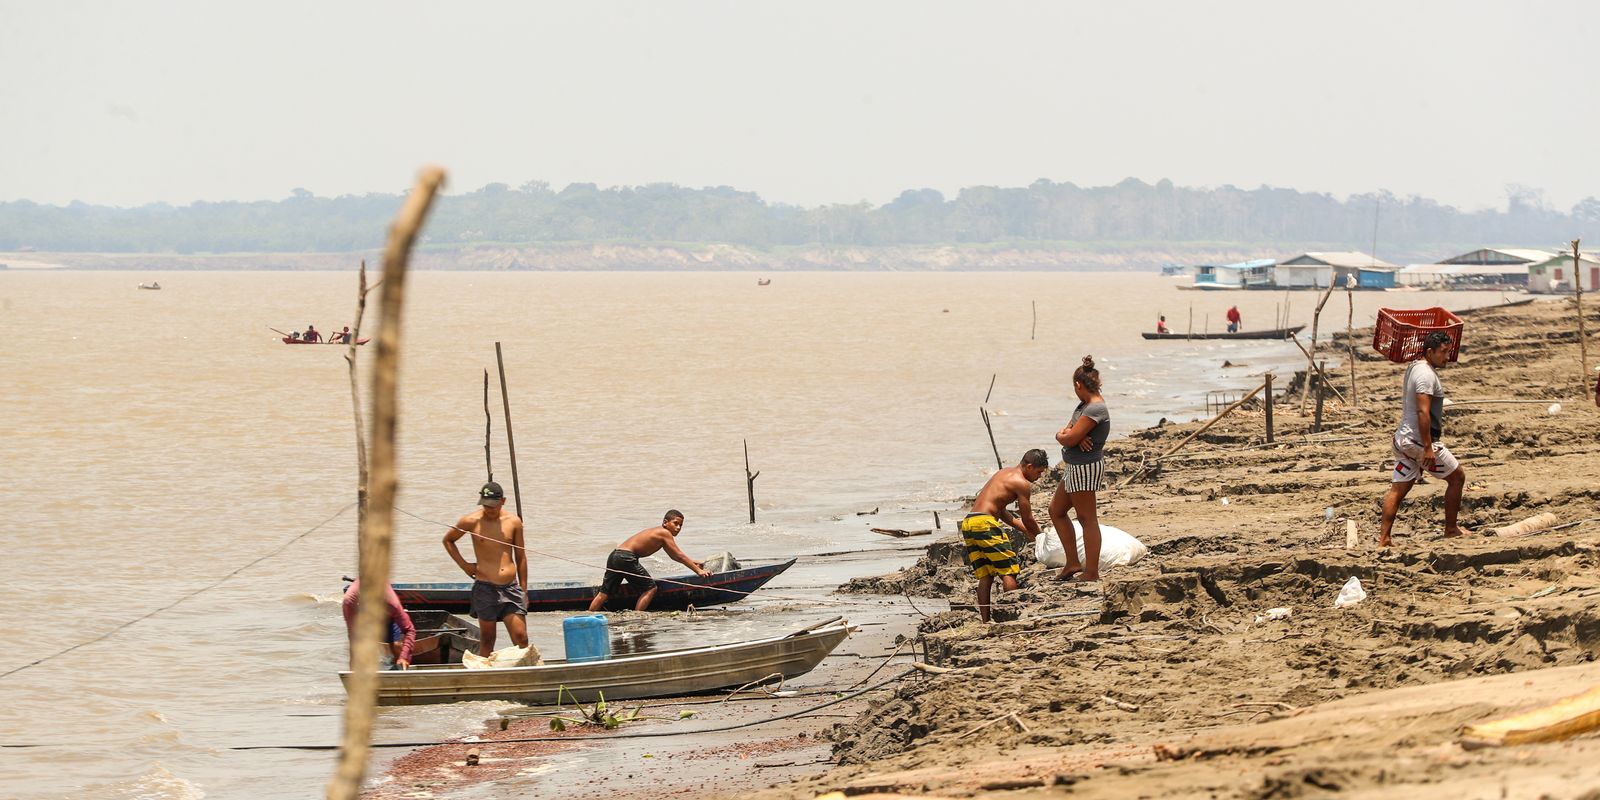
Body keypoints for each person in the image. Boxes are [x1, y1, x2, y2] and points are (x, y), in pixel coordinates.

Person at [1379, 332, 1471, 547]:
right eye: (1443, 352)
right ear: (1429, 352)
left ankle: (1384, 539)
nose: (1447, 357)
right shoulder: (1425, 375)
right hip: (1418, 443)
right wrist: (1428, 448)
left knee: (1398, 490)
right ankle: (1451, 529)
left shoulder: (1416, 365)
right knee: (1457, 478)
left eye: (1449, 352)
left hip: (1403, 441)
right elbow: (1423, 412)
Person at [960, 449, 1048, 622]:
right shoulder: (1021, 483)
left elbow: (1000, 510)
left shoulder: (1003, 473)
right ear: (1029, 467)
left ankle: (985, 622)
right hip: (985, 524)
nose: (1039, 477)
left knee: (986, 575)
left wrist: (1025, 530)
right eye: (1038, 472)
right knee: (1009, 570)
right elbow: (1028, 518)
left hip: (970, 522)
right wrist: (1040, 537)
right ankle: (1012, 617)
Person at [443, 481, 529, 656]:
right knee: (488, 639)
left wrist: (524, 589)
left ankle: (526, 667)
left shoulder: (514, 522)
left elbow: (521, 556)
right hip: (485, 587)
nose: (489, 509)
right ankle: (485, 669)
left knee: (521, 637)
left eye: (493, 506)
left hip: (510, 588)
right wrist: (465, 566)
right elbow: (448, 540)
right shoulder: (471, 521)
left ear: (502, 501)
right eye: (486, 505)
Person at [1050, 356, 1111, 582]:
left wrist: (1066, 436)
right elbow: (1070, 432)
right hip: (1075, 466)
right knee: (1056, 510)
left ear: (1078, 385)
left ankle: (1091, 572)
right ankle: (1073, 562)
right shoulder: (1084, 406)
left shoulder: (1095, 408)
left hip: (1084, 467)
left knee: (1087, 519)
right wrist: (1072, 435)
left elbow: (1067, 436)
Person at [588, 510, 708, 612]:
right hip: (626, 557)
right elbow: (679, 556)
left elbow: (675, 556)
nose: (678, 528)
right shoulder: (665, 533)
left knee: (604, 593)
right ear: (665, 523)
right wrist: (698, 571)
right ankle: (638, 616)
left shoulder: (660, 533)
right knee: (650, 588)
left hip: (615, 556)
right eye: (675, 523)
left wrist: (694, 563)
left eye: (681, 525)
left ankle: (589, 616)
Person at [341, 579, 415, 670]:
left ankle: (401, 667)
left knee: (396, 645)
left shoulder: (392, 603)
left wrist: (404, 657)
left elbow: (409, 630)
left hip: (387, 615)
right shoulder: (349, 601)